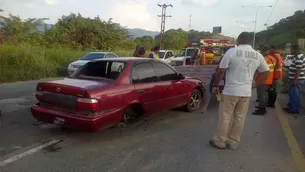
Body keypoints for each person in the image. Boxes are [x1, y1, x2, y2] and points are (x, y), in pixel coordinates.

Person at [210, 32, 269, 150]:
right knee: (240, 117)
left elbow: (221, 71)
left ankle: (220, 141)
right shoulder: (257, 55)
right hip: (246, 92)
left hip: (230, 91)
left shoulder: (231, 52)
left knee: (225, 116)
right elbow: (266, 71)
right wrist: (255, 84)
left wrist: (216, 85)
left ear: (239, 40)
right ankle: (233, 142)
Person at [252, 46, 276, 115]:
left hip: (263, 79)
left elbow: (261, 70)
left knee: (261, 94)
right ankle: (261, 106)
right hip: (268, 79)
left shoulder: (264, 59)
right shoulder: (272, 58)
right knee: (264, 94)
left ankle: (262, 109)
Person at [282, 45, 305, 114]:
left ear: (295, 50)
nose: (291, 51)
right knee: (291, 94)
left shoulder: (298, 57)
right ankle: (290, 106)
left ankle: (294, 109)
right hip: (294, 79)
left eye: (291, 50)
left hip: (297, 80)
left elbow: (298, 69)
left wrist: (295, 80)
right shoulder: (297, 57)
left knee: (295, 95)